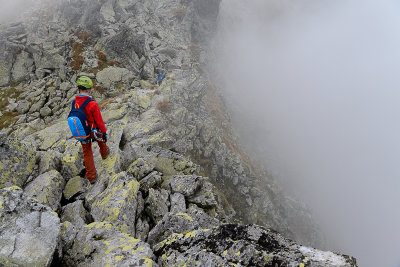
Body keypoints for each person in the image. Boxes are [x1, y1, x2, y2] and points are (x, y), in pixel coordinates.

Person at [74, 76, 109, 184]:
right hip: (93, 131)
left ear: (78, 89)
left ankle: (92, 177)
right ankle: (104, 153)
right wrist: (104, 133)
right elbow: (99, 121)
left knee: (87, 153)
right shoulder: (92, 104)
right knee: (101, 140)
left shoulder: (75, 102)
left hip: (82, 132)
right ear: (90, 90)